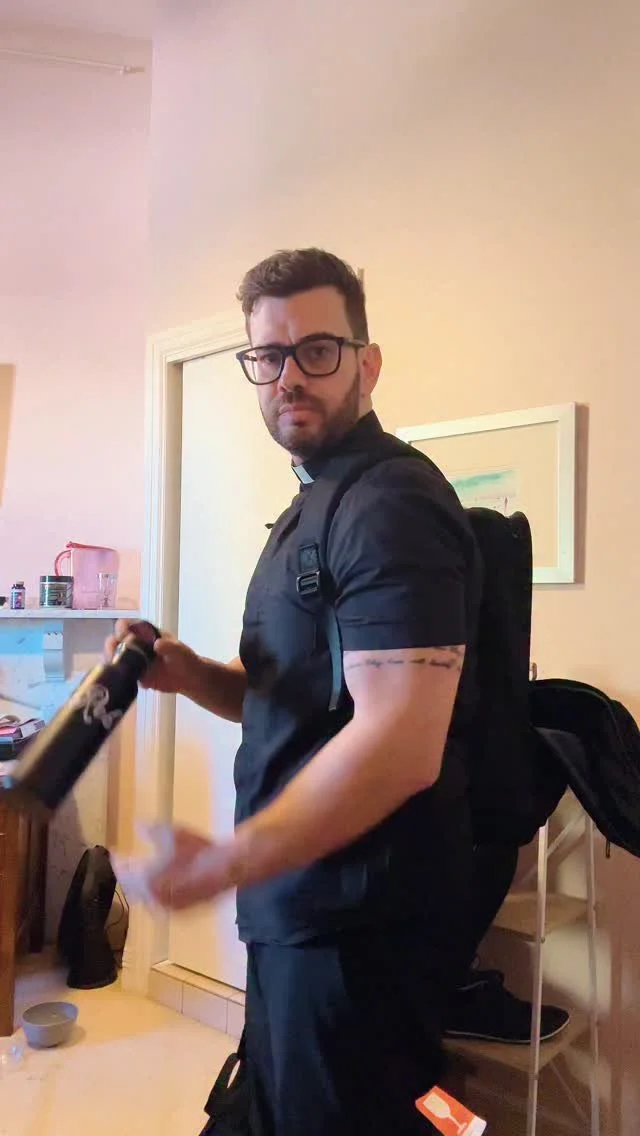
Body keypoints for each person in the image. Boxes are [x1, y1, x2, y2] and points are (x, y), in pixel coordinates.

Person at [109, 249, 483, 1136]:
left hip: (359, 926)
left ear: (367, 362)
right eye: (267, 356)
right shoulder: (312, 506)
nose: (288, 377)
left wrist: (225, 861)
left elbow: (399, 742)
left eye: (317, 350)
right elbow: (301, 701)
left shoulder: (389, 503)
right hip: (300, 909)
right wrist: (191, 675)